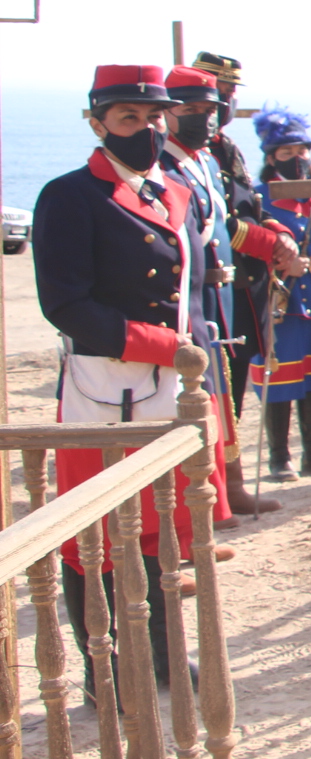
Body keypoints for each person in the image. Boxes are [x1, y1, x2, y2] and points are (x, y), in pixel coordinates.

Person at [33, 65, 236, 702]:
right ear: (97, 124)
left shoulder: (171, 189)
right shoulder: (68, 197)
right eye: (129, 118)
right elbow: (64, 303)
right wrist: (162, 347)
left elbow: (188, 286)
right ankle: (105, 669)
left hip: (166, 382)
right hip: (104, 377)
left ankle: (162, 653)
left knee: (158, 527)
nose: (146, 130)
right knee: (89, 532)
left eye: (154, 118)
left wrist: (191, 349)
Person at [161, 65, 296, 517]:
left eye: (219, 101)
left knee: (230, 387)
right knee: (208, 390)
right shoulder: (169, 157)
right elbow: (215, 227)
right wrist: (266, 242)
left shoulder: (218, 149)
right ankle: (217, 488)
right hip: (207, 287)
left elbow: (247, 204)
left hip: (238, 288)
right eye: (197, 105)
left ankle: (227, 483)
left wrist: (275, 230)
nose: (214, 110)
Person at [250, 107, 311, 479]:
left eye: (302, 150)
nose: (297, 158)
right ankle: (279, 456)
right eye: (286, 153)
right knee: (278, 379)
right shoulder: (260, 198)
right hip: (282, 300)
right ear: (271, 157)